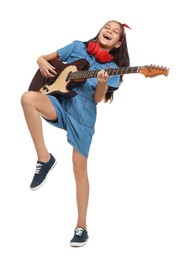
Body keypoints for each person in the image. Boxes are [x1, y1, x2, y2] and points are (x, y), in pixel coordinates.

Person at [21, 20, 130, 247]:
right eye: (106, 27)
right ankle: (44, 158)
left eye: (115, 31)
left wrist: (100, 83)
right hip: (58, 102)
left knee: (79, 170)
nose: (108, 31)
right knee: (28, 98)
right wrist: (41, 61)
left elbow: (98, 99)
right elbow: (44, 57)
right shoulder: (77, 46)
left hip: (83, 116)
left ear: (119, 42)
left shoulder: (111, 71)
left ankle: (82, 227)